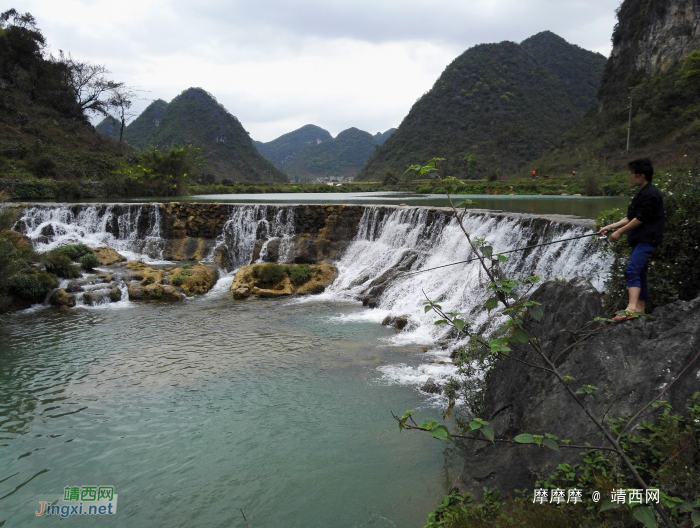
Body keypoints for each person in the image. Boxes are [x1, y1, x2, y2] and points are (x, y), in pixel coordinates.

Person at [597, 158, 665, 321]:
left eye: (632, 173)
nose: (629, 176)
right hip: (640, 239)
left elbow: (640, 218)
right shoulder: (642, 193)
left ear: (641, 176)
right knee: (640, 272)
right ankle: (640, 308)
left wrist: (619, 232)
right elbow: (630, 217)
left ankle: (631, 308)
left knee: (632, 270)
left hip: (647, 239)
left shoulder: (650, 194)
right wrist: (610, 227)